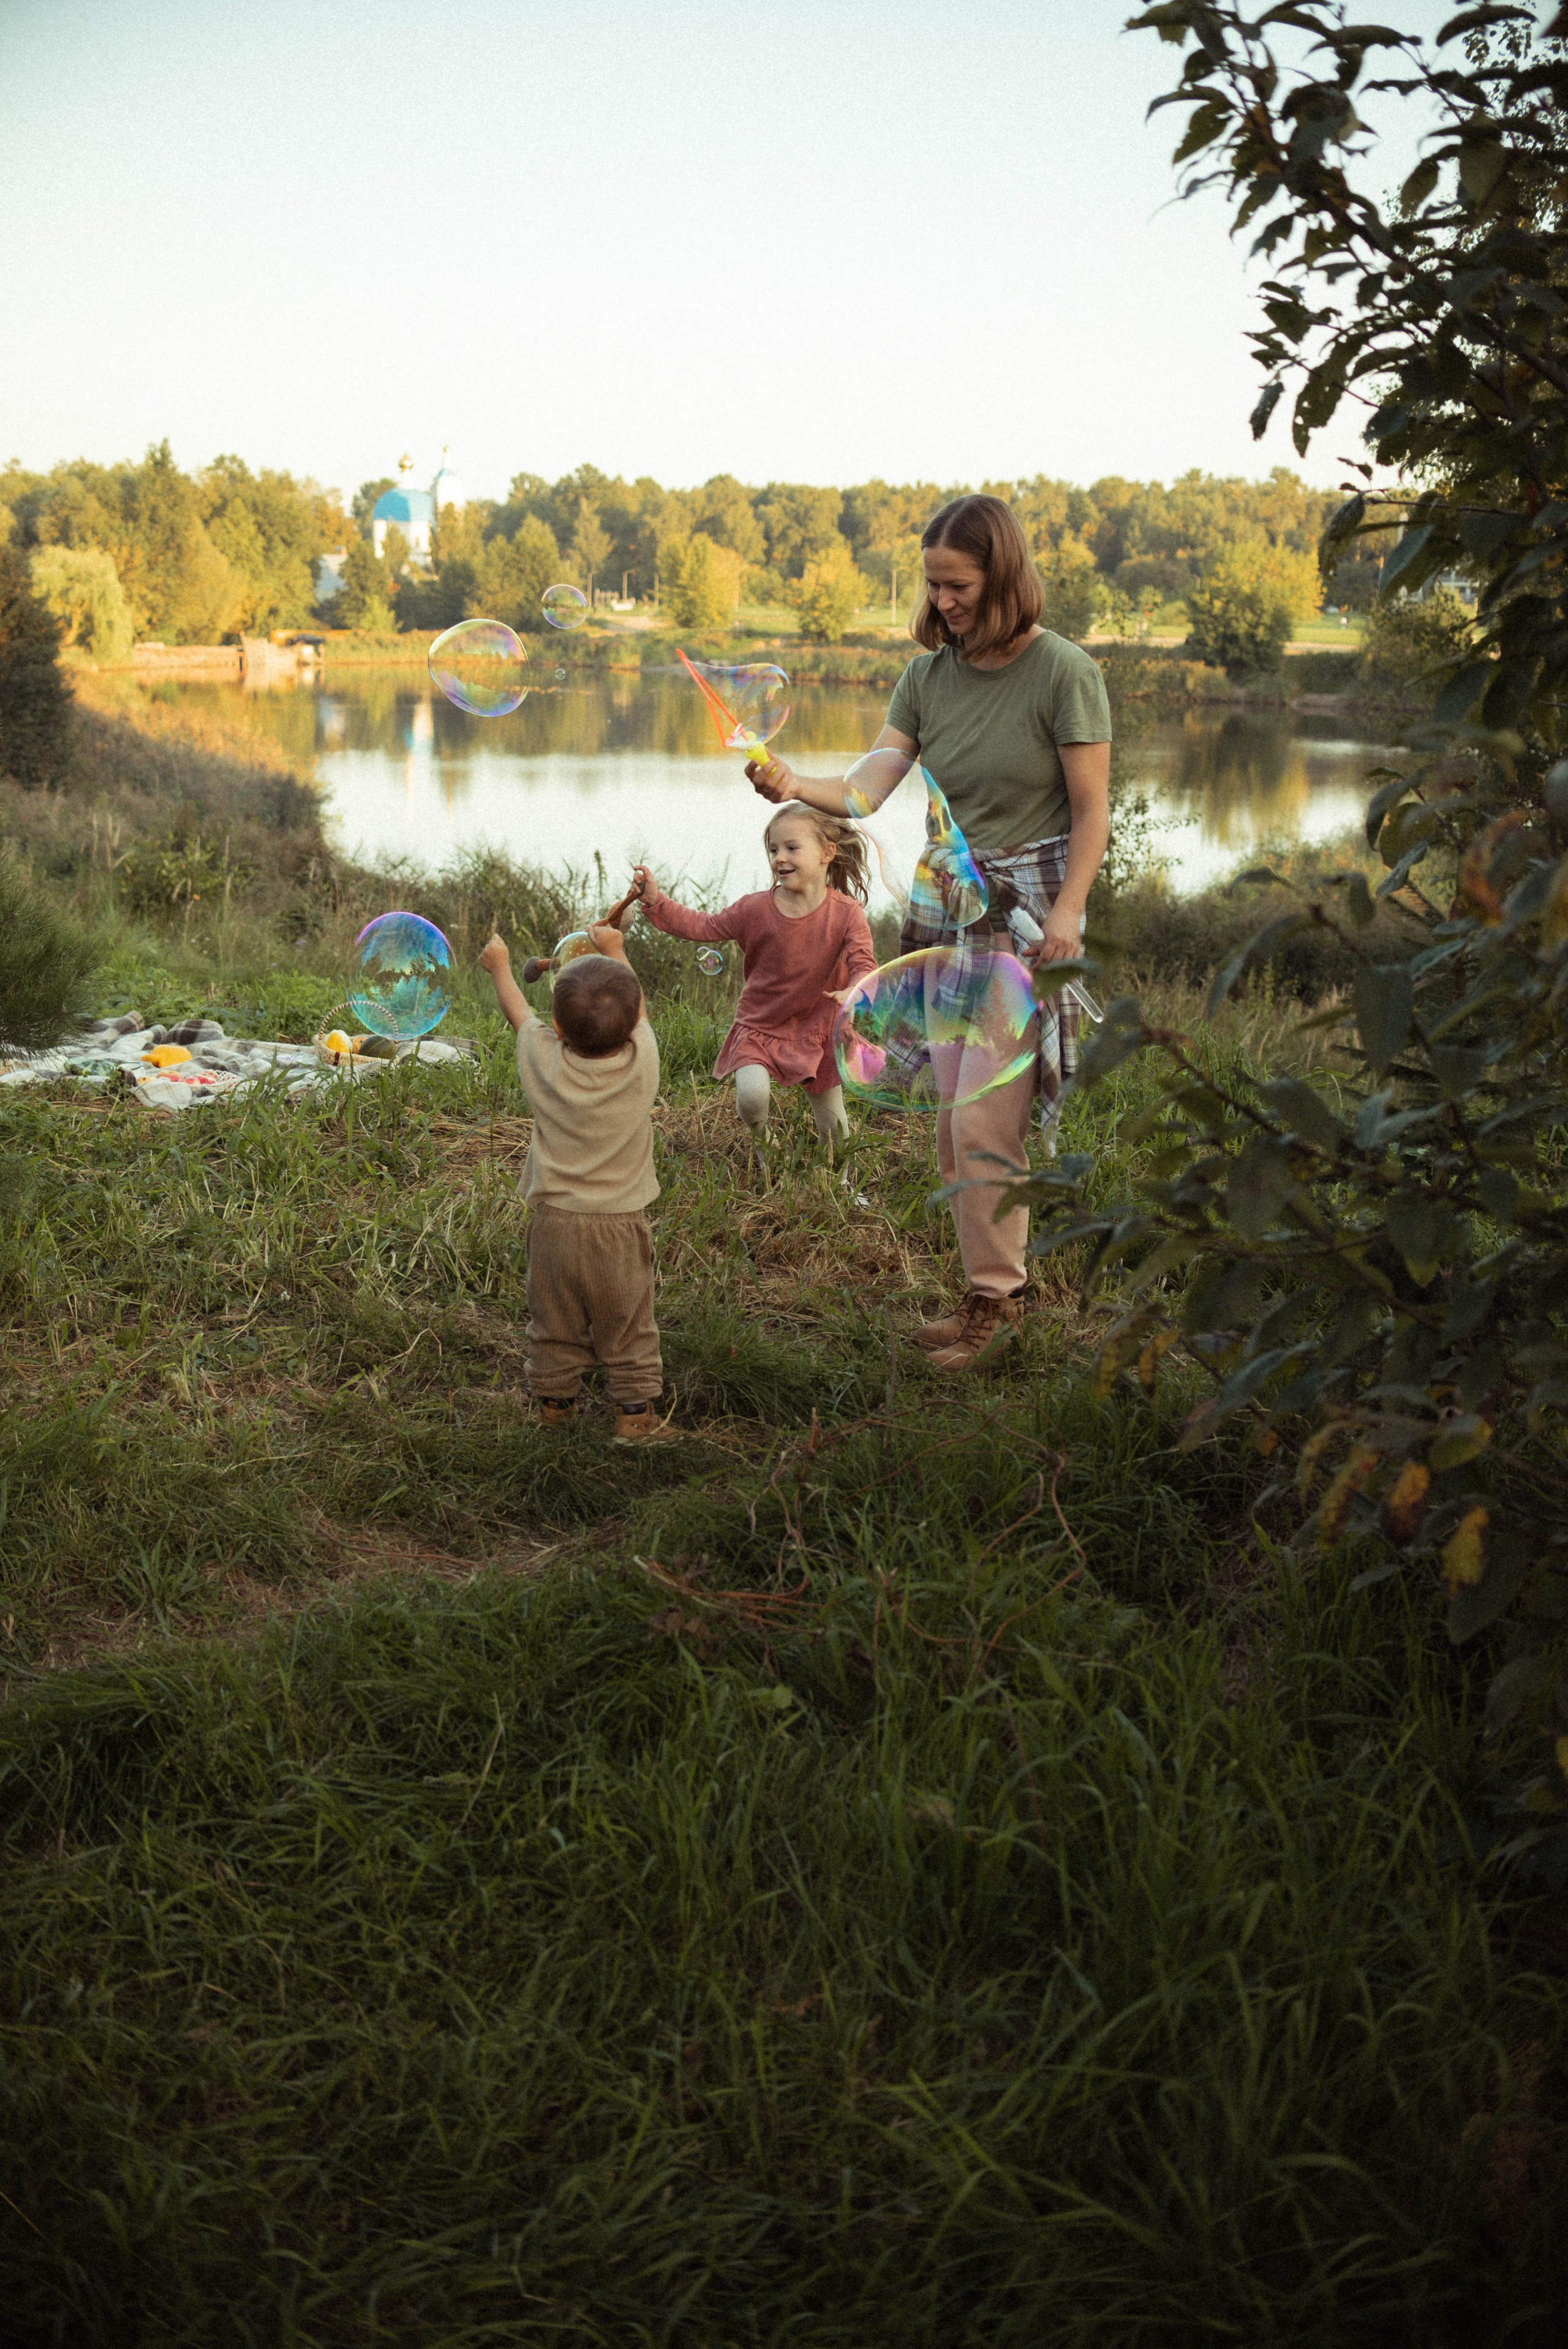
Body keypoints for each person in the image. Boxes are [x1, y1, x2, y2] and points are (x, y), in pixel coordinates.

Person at [748, 492, 1112, 1371]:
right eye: (933, 585)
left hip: (1029, 914)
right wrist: (799, 781)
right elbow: (874, 783)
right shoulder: (927, 677)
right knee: (956, 1122)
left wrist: (1069, 912)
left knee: (989, 1120)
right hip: (950, 909)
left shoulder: (1064, 672)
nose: (944, 601)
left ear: (1004, 576)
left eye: (959, 584)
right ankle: (989, 1293)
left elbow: (1095, 807)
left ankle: (1002, 1309)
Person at [478, 919, 672, 1442]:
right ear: (631, 1026)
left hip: (554, 1225)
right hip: (620, 1226)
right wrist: (617, 948)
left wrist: (500, 966)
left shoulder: (545, 1061)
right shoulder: (642, 1062)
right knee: (628, 1323)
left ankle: (554, 1407)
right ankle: (635, 1419)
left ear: (559, 1030)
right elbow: (642, 1013)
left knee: (555, 1320)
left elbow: (519, 1013)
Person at [632, 800, 877, 1147]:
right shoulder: (754, 908)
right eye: (773, 849)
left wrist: (855, 990)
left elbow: (863, 963)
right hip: (760, 1024)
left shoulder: (848, 913)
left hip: (819, 1026)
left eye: (792, 848)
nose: (779, 857)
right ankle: (766, 1146)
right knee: (751, 1098)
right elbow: (704, 925)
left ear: (827, 852)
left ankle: (840, 1182)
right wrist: (658, 902)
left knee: (832, 1122)